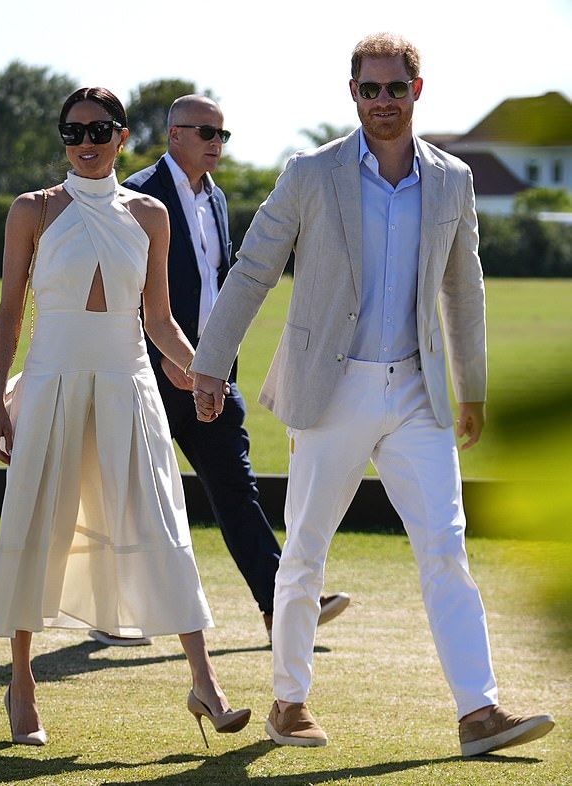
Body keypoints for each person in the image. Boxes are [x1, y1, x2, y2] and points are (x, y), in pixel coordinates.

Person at [190, 33, 555, 755]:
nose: (382, 101)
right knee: (304, 553)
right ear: (351, 93)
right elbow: (255, 267)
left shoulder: (452, 178)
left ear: (418, 91)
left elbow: (463, 288)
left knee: (446, 548)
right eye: (369, 89)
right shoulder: (310, 173)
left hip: (417, 394)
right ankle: (288, 702)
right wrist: (210, 365)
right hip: (333, 390)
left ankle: (478, 713)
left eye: (395, 88)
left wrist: (471, 389)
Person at [0, 87, 250, 748]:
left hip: (129, 385)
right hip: (50, 383)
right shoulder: (32, 210)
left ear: (124, 136)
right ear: (63, 138)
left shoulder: (151, 214)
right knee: (35, 523)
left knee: (162, 521)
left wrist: (202, 372)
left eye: (100, 129)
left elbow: (158, 319)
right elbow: (10, 311)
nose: (86, 141)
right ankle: (21, 685)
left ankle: (205, 684)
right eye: (73, 132)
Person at [88, 94, 349, 649]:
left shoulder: (218, 199)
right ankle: (112, 613)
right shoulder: (134, 194)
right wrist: (161, 353)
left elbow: (221, 284)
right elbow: (117, 287)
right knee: (135, 490)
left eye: (222, 135)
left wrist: (217, 365)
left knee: (235, 486)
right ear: (173, 134)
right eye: (205, 132)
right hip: (148, 369)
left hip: (209, 373)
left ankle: (280, 606)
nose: (215, 142)